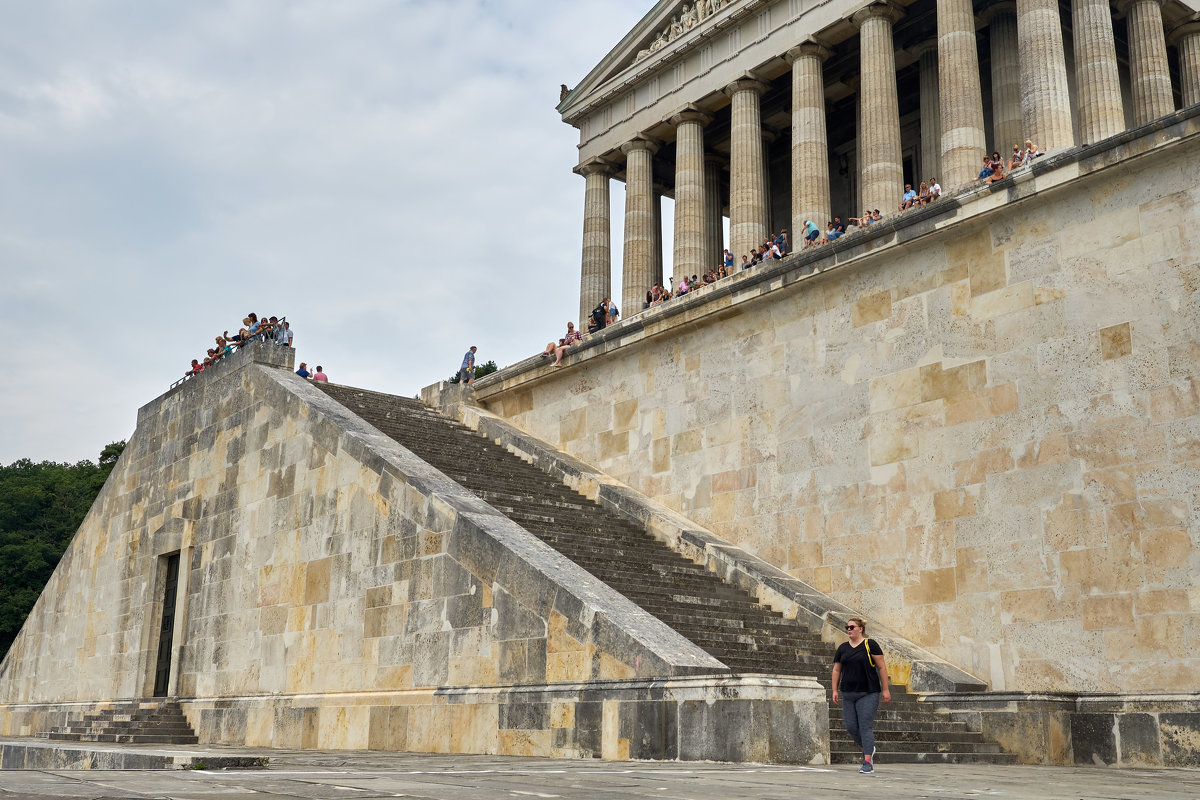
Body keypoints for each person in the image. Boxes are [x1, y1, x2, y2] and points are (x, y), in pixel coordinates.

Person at [832, 617, 890, 775]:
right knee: (851, 727)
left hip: (868, 692)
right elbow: (837, 670)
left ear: (860, 629)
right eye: (847, 627)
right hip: (848, 693)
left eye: (851, 627)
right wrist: (834, 690)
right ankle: (869, 748)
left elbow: (882, 668)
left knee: (865, 726)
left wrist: (885, 689)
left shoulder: (870, 644)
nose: (848, 629)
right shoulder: (843, 648)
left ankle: (867, 762)